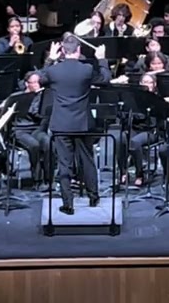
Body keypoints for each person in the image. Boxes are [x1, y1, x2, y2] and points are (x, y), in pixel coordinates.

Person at [37, 33, 111, 215]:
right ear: (79, 50)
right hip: (82, 124)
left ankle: (68, 204)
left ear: (62, 50)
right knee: (87, 160)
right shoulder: (86, 69)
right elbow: (105, 79)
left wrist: (50, 59)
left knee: (64, 164)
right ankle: (94, 197)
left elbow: (39, 78)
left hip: (61, 124)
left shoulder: (54, 71)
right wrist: (101, 60)